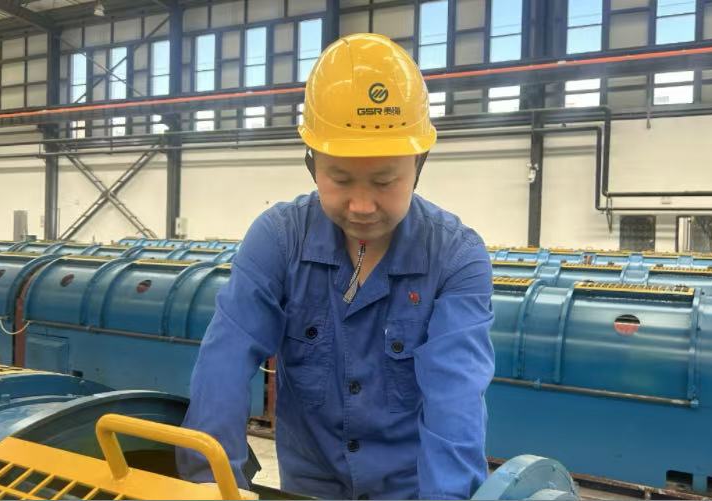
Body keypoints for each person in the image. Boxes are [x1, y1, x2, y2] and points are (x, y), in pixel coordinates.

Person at [177, 33, 495, 500]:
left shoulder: (456, 258)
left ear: (419, 163)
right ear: (312, 164)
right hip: (309, 485)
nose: (362, 205)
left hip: (409, 488)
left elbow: (456, 403)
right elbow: (224, 360)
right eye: (340, 179)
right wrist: (212, 483)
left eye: (384, 181)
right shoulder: (278, 240)